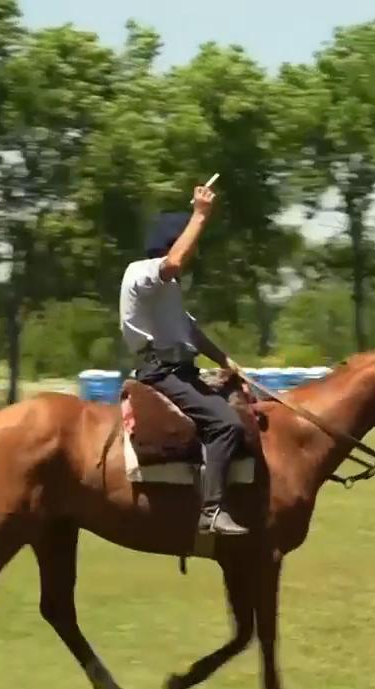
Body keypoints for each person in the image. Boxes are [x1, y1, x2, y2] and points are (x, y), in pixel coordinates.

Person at [119, 184, 250, 536]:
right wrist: (200, 214)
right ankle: (212, 511)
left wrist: (226, 360)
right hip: (160, 372)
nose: (192, 255)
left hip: (180, 368)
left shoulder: (170, 289)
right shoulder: (142, 271)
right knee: (226, 424)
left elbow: (190, 331)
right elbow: (175, 259)